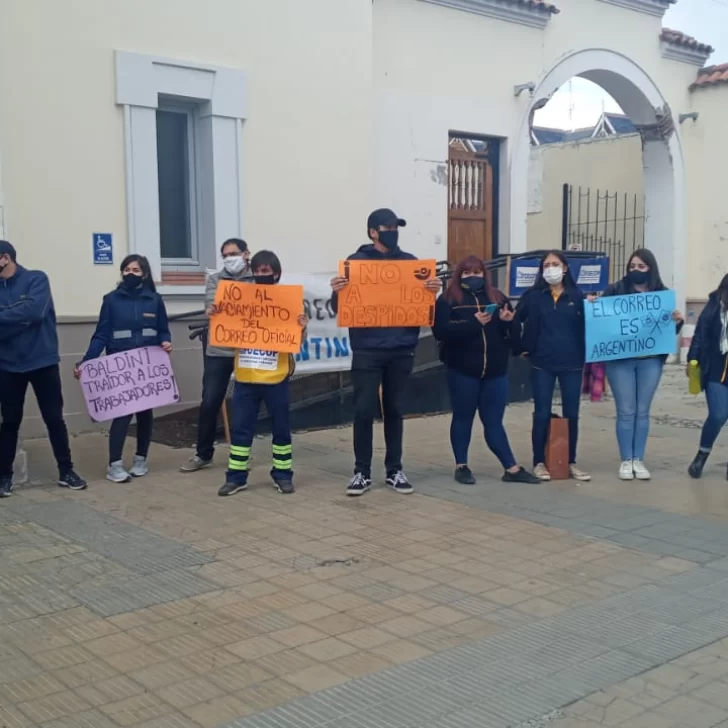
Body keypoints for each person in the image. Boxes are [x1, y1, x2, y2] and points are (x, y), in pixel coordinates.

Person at [330, 208, 442, 497]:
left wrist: (432, 291)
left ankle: (394, 470)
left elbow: (425, 307)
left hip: (401, 349)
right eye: (387, 226)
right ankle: (361, 472)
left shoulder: (411, 264)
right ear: (373, 231)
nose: (393, 231)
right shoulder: (355, 263)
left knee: (394, 409)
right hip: (367, 349)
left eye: (396, 227)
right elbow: (337, 309)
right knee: (363, 409)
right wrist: (337, 291)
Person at [433, 256, 540, 485]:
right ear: (459, 276)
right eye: (467, 273)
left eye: (477, 272)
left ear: (485, 274)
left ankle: (511, 468)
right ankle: (461, 465)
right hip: (463, 371)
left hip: (495, 372)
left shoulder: (498, 298)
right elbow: (441, 332)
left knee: (494, 421)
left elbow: (513, 338)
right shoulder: (447, 300)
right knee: (463, 418)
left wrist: (508, 322)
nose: (473, 277)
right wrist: (474, 323)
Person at [217, 250, 308, 496]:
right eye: (257, 271)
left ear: (276, 273)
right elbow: (226, 337)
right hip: (246, 377)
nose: (261, 274)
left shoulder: (288, 303)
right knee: (241, 430)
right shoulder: (240, 301)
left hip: (276, 377)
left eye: (266, 271)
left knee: (281, 429)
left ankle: (283, 475)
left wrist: (301, 327)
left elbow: (297, 342)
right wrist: (219, 319)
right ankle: (236, 477)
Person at [0, 240, 86, 497]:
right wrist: (19, 317)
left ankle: (66, 471)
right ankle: (4, 477)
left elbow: (35, 312)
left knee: (54, 419)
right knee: (9, 422)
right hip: (8, 366)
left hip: (42, 362)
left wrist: (11, 317)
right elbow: (24, 316)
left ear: (5, 258)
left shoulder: (37, 279)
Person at [75, 255, 171, 483]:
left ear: (144, 274)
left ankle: (141, 460)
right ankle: (114, 465)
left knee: (146, 414)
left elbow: (163, 330)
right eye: (126, 269)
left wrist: (166, 341)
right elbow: (101, 334)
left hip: (147, 367)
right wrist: (86, 361)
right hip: (120, 367)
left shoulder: (154, 300)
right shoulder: (111, 300)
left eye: (136, 270)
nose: (130, 273)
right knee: (122, 415)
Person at [600, 249, 683, 480]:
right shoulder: (615, 290)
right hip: (620, 362)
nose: (635, 270)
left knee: (643, 411)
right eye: (632, 266)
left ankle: (639, 459)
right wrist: (594, 305)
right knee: (626, 411)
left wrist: (678, 321)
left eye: (641, 266)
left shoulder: (662, 295)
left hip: (650, 362)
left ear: (650, 269)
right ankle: (626, 460)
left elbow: (667, 331)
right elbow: (600, 321)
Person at [516, 250, 590, 482]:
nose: (550, 269)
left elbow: (591, 327)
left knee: (572, 414)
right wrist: (522, 348)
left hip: (572, 364)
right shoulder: (533, 296)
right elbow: (515, 320)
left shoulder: (578, 296)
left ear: (565, 268)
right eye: (546, 265)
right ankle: (539, 461)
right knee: (541, 413)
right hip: (542, 364)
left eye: (555, 264)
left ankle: (569, 461)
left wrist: (595, 309)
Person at [181, 238, 253, 472]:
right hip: (219, 350)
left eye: (233, 253)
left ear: (246, 254)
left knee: (246, 403)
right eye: (225, 255)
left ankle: (242, 455)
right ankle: (203, 454)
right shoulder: (215, 279)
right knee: (210, 400)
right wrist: (212, 308)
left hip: (247, 350)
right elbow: (211, 302)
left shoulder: (257, 279)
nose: (229, 258)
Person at [687, 274, 728, 479]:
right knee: (719, 414)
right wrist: (692, 359)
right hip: (715, 370)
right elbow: (700, 336)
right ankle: (702, 455)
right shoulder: (713, 308)